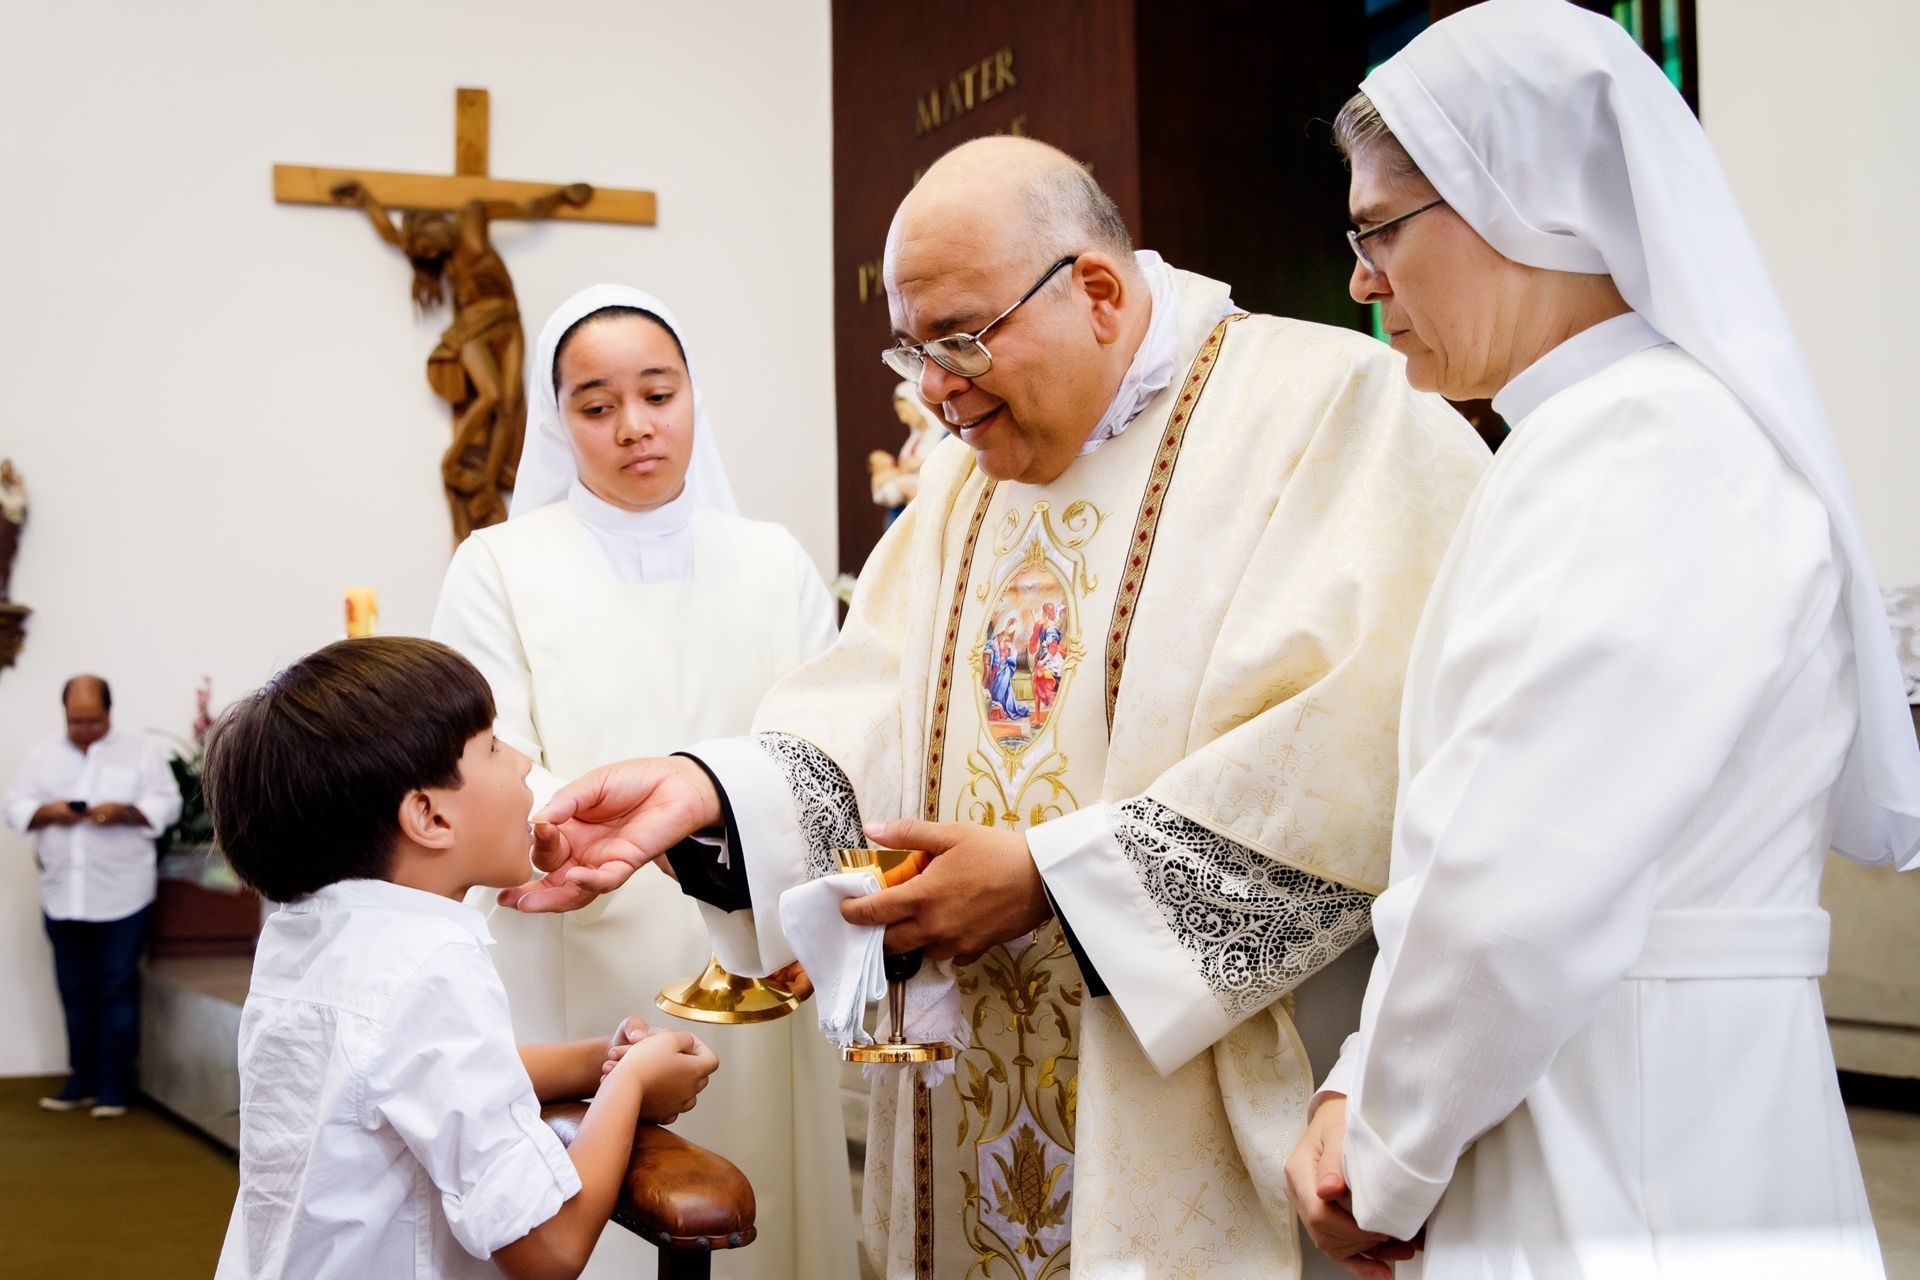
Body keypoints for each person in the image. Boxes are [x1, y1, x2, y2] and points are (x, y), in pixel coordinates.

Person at [508, 137, 1488, 1278]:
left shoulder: (1328, 414)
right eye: (913, 348)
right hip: (961, 1109)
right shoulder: (967, 479)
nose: (933, 388)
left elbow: (1350, 760)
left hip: (1204, 1127)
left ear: (1103, 294)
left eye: (961, 339)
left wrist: (1050, 881)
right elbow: (867, 710)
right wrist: (709, 790)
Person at [1281, 4, 1920, 1277]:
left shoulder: (1645, 446)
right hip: (1633, 1103)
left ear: (1519, 194)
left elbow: (1513, 891)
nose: (1361, 280)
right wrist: (1373, 1080)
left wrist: (1384, 1145)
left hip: (1628, 1142)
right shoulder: (1600, 439)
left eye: (1378, 230)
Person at [430, 283, 850, 1280]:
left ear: (694, 395)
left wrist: (708, 826)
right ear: (557, 417)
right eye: (597, 403)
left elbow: (822, 748)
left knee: (763, 1212)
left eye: (657, 393)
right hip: (573, 951)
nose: (634, 427)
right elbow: (489, 753)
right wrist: (601, 833)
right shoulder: (498, 564)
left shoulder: (773, 560)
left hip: (751, 947)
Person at [203, 636, 719, 1280]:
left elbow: (403, 1081)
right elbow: (547, 1248)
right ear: (429, 816)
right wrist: (631, 1083)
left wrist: (595, 1062)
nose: (526, 764)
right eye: (495, 747)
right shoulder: (431, 962)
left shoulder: (305, 936)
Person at [4, 675, 181, 1118]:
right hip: (63, 894)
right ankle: (80, 1080)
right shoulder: (43, 756)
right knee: (74, 991)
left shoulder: (141, 752)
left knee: (116, 989)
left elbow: (169, 803)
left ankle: (113, 1088)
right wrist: (50, 811)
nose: (83, 728)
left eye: (92, 720)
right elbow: (14, 805)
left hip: (123, 895)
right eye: (75, 720)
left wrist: (124, 811)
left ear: (109, 712)